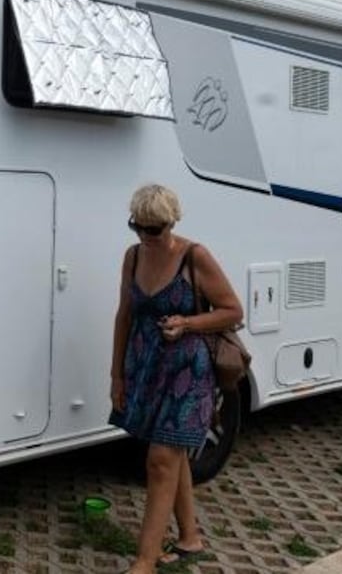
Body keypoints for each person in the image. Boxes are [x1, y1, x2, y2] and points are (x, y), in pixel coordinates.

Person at [109, 184, 243, 571]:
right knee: (174, 455)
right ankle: (190, 538)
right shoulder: (133, 257)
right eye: (140, 227)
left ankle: (145, 561)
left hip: (189, 372)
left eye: (156, 229)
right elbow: (125, 315)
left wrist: (188, 322)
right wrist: (116, 374)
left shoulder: (193, 255)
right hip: (147, 368)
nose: (147, 237)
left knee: (161, 460)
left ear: (172, 222)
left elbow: (232, 310)